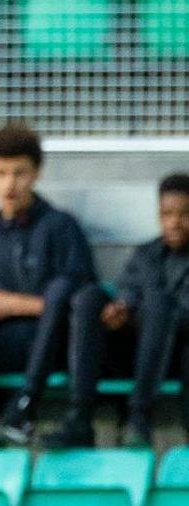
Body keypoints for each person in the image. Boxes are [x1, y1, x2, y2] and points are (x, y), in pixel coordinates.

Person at [0, 121, 96, 447]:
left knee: (61, 291)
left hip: (56, 344)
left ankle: (24, 407)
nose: (9, 183)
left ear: (36, 174)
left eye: (20, 173)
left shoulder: (61, 226)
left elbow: (81, 303)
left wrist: (15, 304)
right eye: (1, 173)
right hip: (5, 341)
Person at [48, 173, 189, 448]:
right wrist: (121, 309)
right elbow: (128, 289)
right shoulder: (146, 253)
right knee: (89, 298)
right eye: (167, 213)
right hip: (133, 354)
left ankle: (138, 419)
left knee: (159, 304)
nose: (174, 222)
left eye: (184, 214)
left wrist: (143, 315)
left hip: (174, 358)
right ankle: (80, 416)